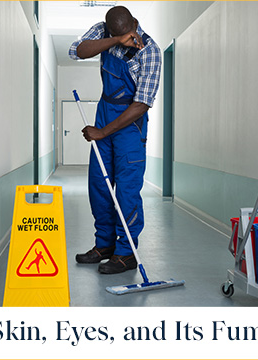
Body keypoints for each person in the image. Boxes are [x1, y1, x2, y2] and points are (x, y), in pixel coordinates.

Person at [69, 6, 161, 274]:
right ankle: (105, 245)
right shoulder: (103, 31)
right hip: (105, 111)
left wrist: (102, 132)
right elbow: (77, 51)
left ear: (134, 22)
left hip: (130, 123)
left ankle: (126, 252)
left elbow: (142, 103)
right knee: (98, 185)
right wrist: (115, 40)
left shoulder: (150, 51)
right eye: (114, 33)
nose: (122, 38)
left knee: (126, 191)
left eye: (125, 33)